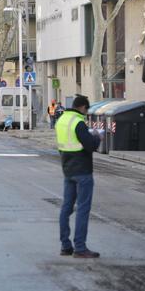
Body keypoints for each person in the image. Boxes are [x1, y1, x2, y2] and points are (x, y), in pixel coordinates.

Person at [56, 95, 103, 258]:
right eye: (86, 109)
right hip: (82, 170)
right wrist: (97, 137)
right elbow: (90, 146)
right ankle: (80, 248)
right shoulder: (78, 122)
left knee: (66, 208)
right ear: (82, 107)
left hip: (67, 169)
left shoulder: (61, 120)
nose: (86, 112)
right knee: (83, 209)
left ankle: (65, 245)